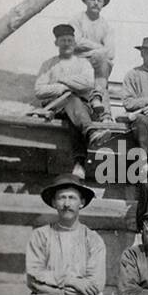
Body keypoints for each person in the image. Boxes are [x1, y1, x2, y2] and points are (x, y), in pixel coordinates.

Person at [34, 23, 107, 178]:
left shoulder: (83, 63)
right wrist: (63, 88)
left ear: (74, 43)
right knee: (71, 99)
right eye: (63, 40)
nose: (66, 44)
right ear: (56, 43)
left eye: (69, 40)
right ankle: (89, 134)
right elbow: (39, 90)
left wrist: (61, 79)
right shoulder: (48, 64)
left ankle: (79, 164)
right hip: (56, 106)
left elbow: (88, 83)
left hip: (80, 107)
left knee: (73, 102)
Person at [69, 0, 114, 118]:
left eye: (99, 1)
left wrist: (94, 50)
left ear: (103, 4)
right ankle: (104, 112)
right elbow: (75, 42)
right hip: (78, 62)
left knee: (104, 61)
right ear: (85, 1)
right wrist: (99, 48)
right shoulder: (76, 20)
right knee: (101, 59)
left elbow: (111, 52)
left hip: (99, 65)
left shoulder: (106, 25)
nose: (96, 3)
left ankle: (99, 104)